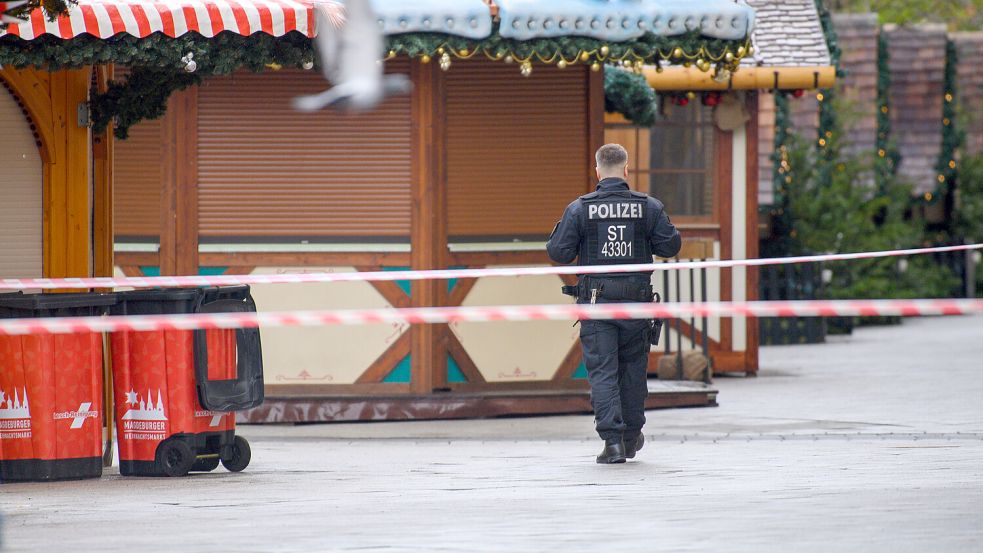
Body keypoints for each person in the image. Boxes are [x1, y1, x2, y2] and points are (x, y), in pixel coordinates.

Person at [546, 143, 681, 464]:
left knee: (603, 373)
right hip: (637, 303)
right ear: (626, 169)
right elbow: (671, 245)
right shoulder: (648, 207)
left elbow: (558, 253)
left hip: (597, 303)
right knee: (633, 371)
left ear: (596, 171)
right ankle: (632, 436)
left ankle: (613, 443)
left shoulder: (580, 209)